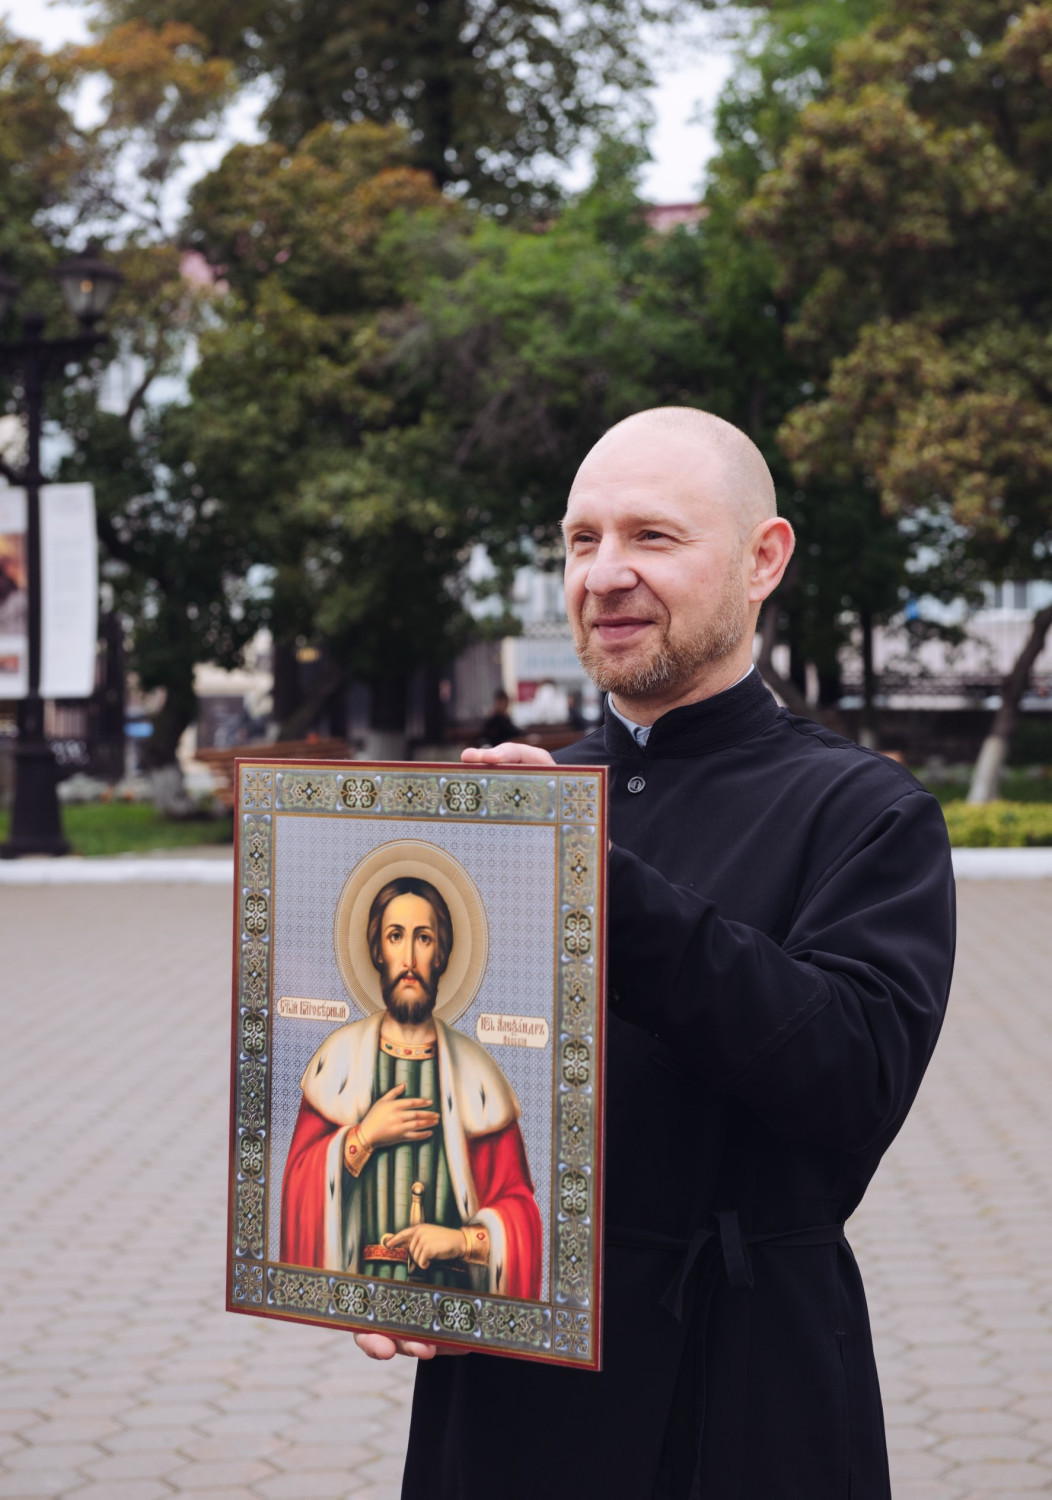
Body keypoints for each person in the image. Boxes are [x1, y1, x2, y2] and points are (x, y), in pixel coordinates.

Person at [356, 408, 956, 1499]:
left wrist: (598, 882)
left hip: (737, 1382)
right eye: (582, 540)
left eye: (652, 537)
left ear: (763, 559)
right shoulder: (512, 800)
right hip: (505, 1377)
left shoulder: (865, 810)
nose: (604, 574)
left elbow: (851, 1076)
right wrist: (391, 1254)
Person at [281, 875, 542, 1298]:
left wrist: (462, 1240)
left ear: (441, 954)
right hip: (363, 1294)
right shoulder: (338, 1060)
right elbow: (298, 1185)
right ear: (376, 951)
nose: (408, 958)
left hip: (453, 1301)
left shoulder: (477, 1074)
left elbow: (521, 1211)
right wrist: (362, 1139)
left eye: (423, 938)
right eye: (395, 936)